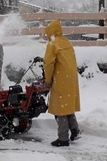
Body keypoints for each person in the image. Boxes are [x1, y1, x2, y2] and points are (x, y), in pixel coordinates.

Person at [43, 19, 81, 147]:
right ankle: (75, 131)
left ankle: (63, 138)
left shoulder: (52, 44)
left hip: (60, 79)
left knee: (60, 110)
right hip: (71, 79)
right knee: (67, 105)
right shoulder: (66, 42)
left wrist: (47, 80)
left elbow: (48, 64)